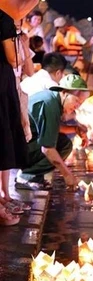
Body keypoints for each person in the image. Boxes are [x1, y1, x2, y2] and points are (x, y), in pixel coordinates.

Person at [15, 74, 90, 191]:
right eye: (76, 100)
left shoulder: (53, 100)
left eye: (81, 103)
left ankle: (32, 174)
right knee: (59, 145)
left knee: (64, 143)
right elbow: (47, 148)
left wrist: (75, 129)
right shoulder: (49, 104)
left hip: (24, 143)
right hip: (15, 149)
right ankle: (27, 176)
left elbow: (51, 127)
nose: (77, 106)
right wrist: (67, 175)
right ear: (64, 92)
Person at [0, 9, 29, 225]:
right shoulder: (4, 19)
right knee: (3, 136)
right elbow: (12, 58)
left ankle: (4, 197)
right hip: (1, 82)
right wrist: (19, 43)